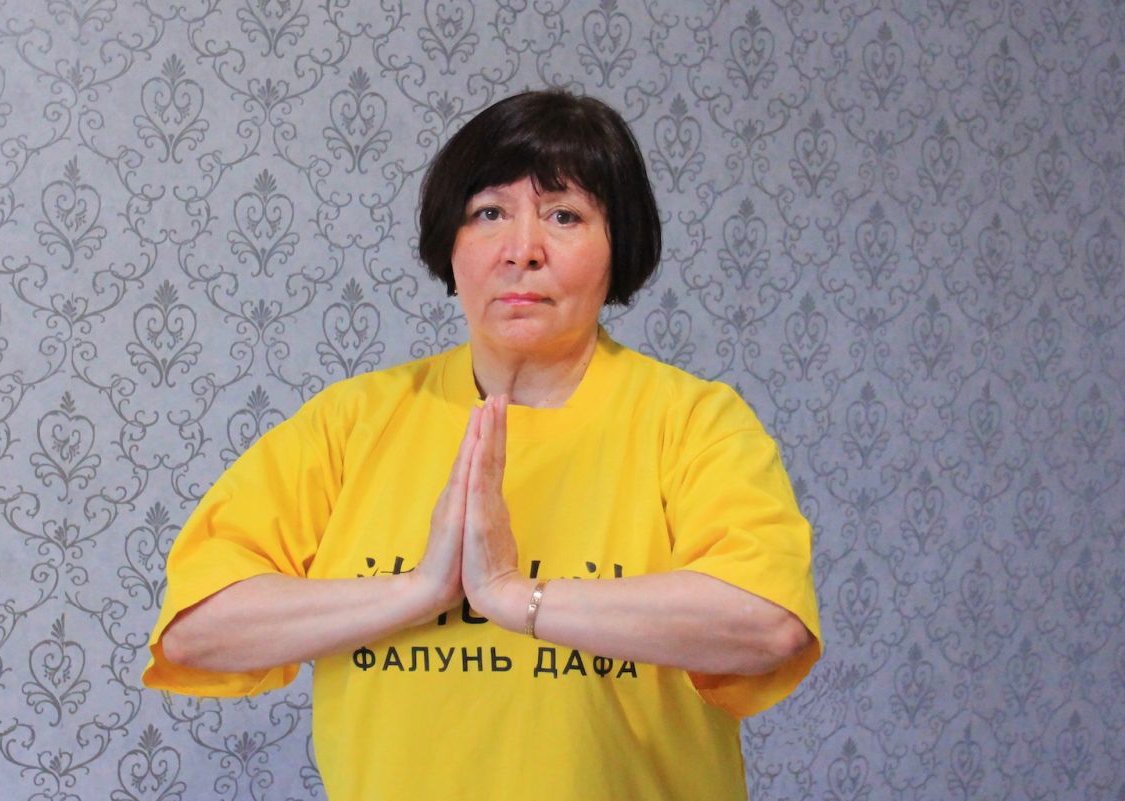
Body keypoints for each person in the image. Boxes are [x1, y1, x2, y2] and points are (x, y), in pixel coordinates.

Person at [143, 89, 822, 801]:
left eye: (564, 216)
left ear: (618, 245)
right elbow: (197, 631)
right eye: (489, 213)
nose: (522, 250)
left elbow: (767, 625)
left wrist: (513, 596)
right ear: (451, 243)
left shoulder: (694, 421)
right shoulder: (352, 420)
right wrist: (418, 590)